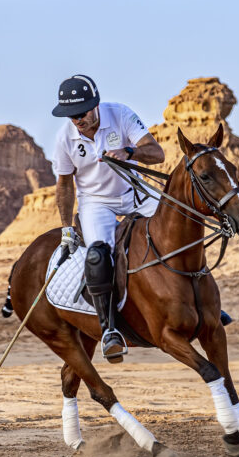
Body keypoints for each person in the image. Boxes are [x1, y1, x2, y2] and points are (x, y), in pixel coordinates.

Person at [51, 74, 165, 363]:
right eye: (71, 115)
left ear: (96, 105)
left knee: (177, 226)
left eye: (82, 113)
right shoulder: (65, 138)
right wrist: (66, 228)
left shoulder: (121, 114)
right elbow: (65, 184)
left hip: (133, 191)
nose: (77, 119)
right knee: (99, 256)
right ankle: (109, 330)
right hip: (96, 203)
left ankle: (202, 299)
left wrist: (129, 151)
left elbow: (157, 153)